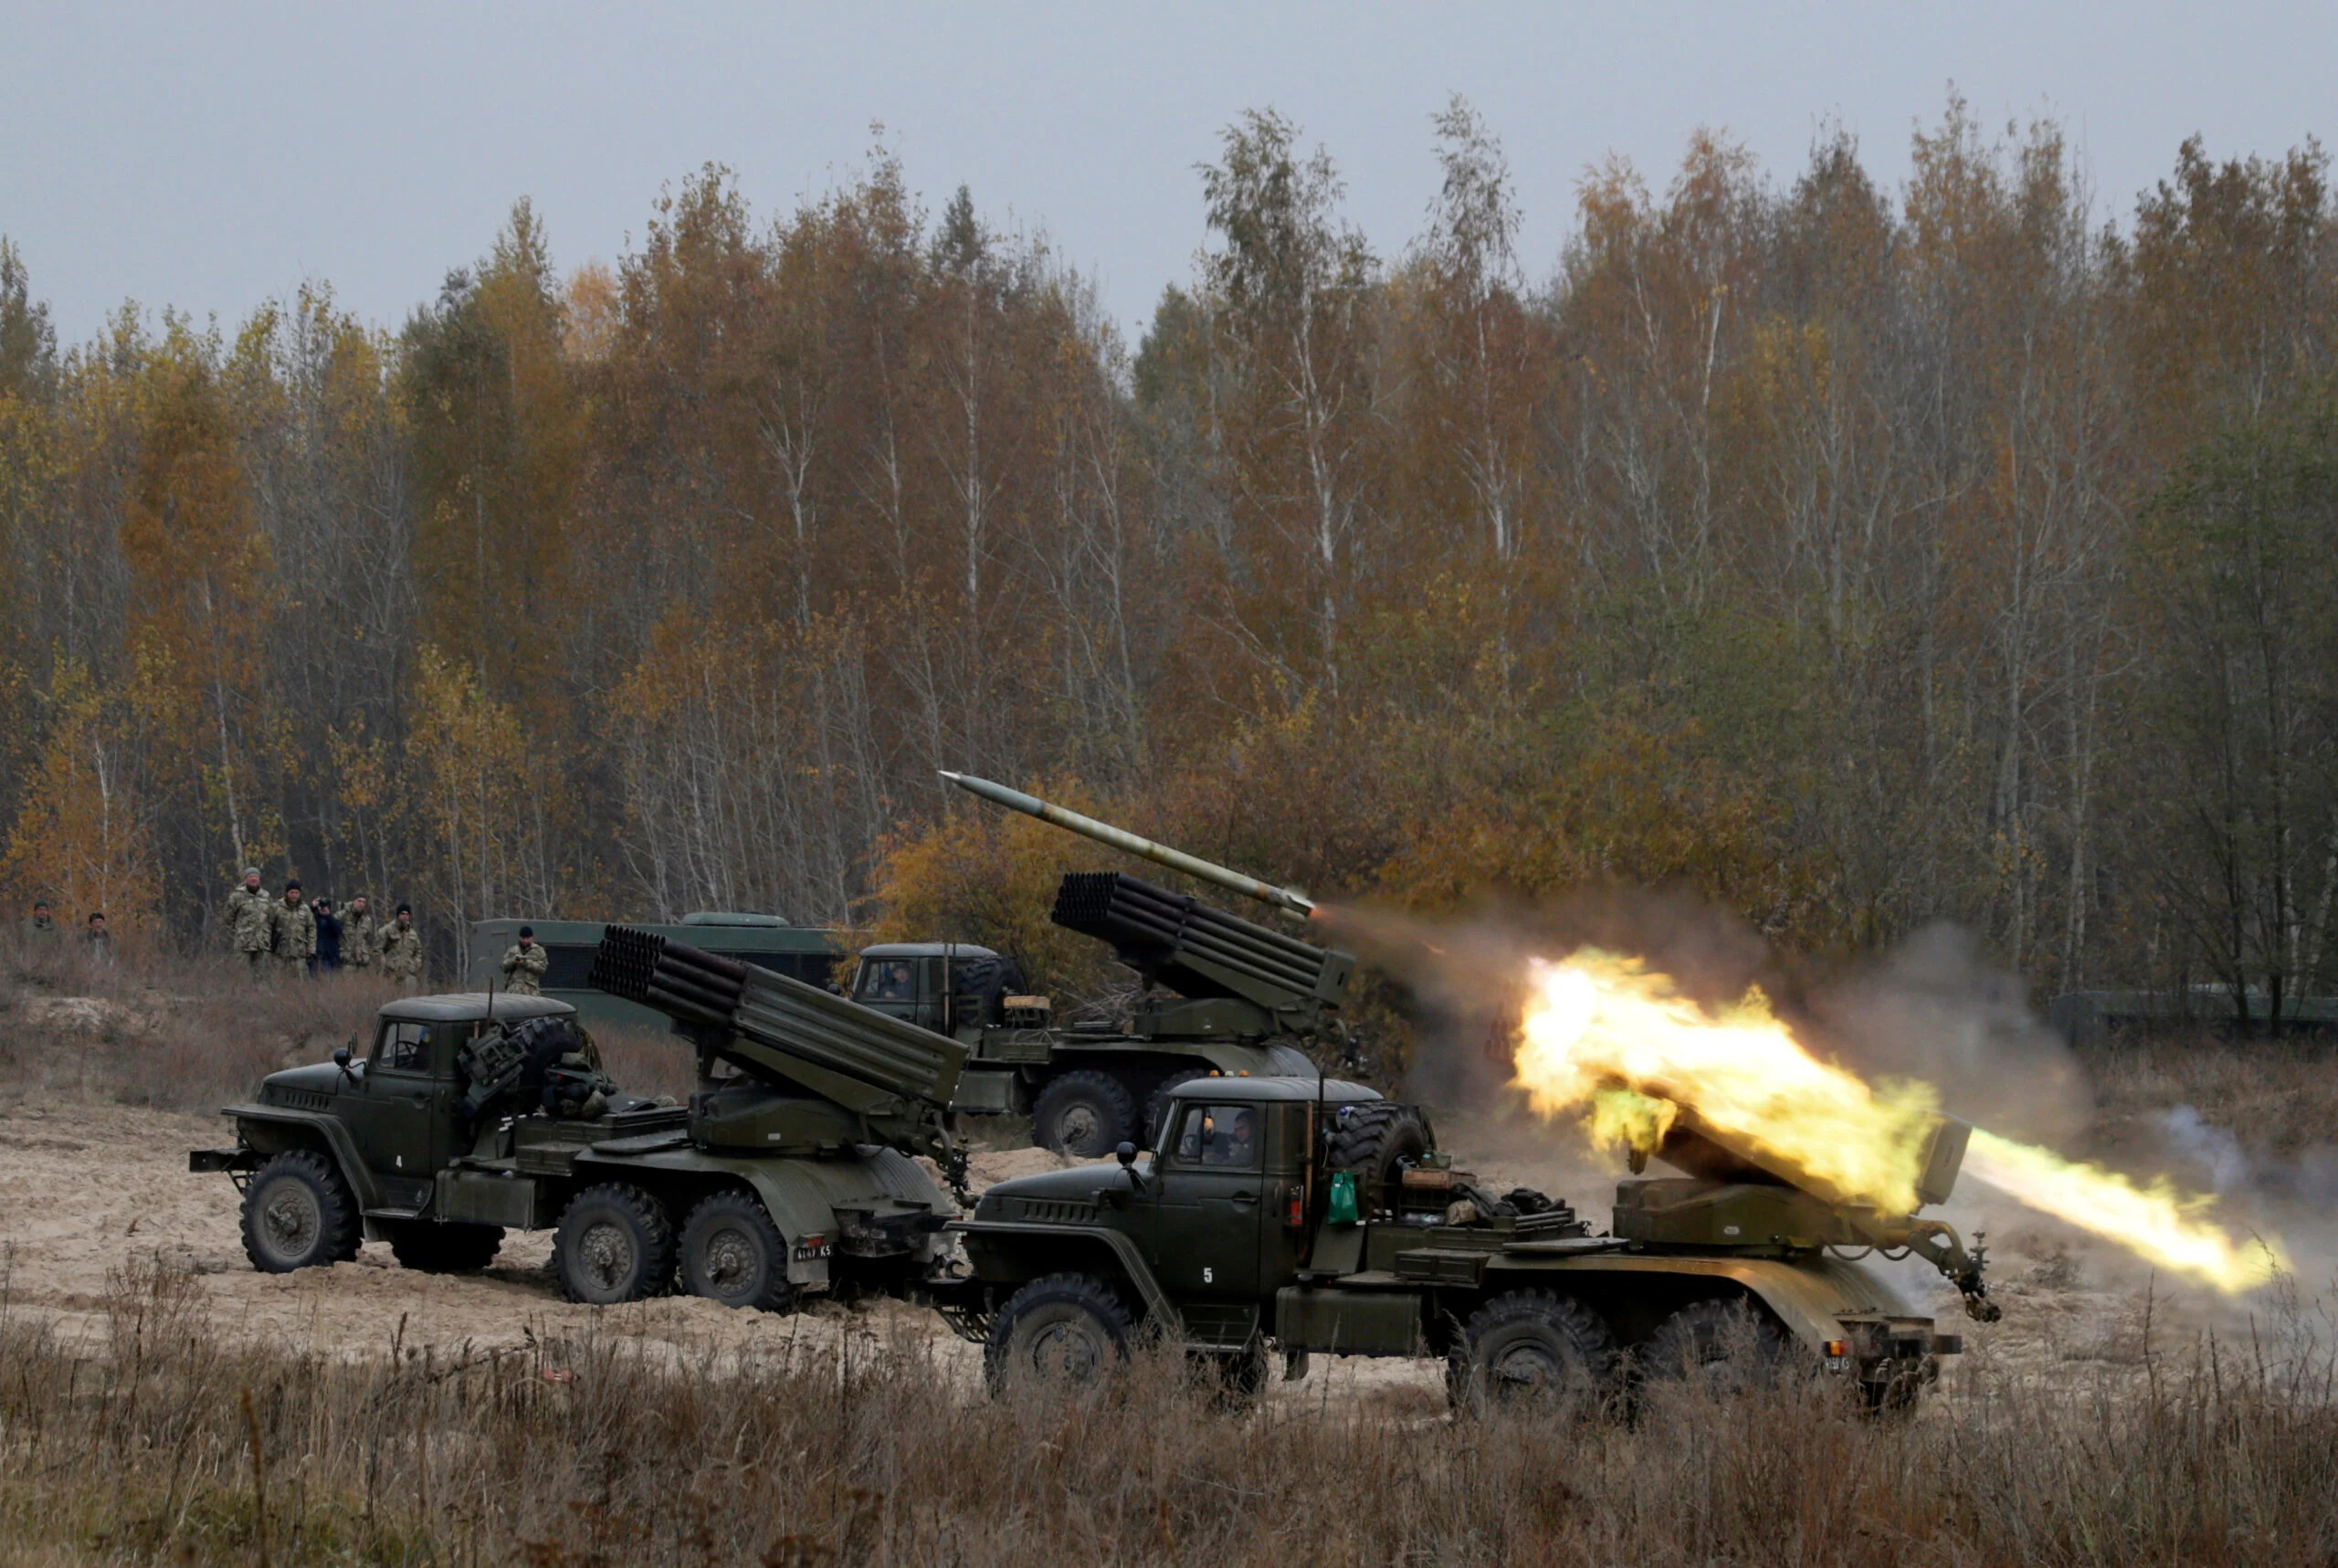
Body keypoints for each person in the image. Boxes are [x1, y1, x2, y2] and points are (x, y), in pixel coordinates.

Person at [226, 868, 271, 975]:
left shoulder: (266, 896)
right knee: (241, 974)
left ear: (259, 879)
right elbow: (228, 917)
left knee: (261, 975)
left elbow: (270, 916)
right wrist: (238, 933)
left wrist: (267, 934)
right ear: (246, 879)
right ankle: (241, 992)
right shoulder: (237, 896)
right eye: (251, 877)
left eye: (256, 877)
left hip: (261, 943)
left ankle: (259, 992)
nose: (254, 879)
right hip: (243, 943)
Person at [269, 881, 316, 979]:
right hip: (280, 953)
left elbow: (311, 928)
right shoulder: (276, 907)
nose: (294, 895)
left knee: (299, 983)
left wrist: (311, 949)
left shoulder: (305, 909)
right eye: (292, 892)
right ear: (287, 893)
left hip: (299, 953)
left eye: (296, 893)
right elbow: (269, 926)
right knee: (277, 981)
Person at [380, 904, 424, 993]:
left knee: (408, 1001)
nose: (405, 916)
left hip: (408, 973)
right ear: (398, 915)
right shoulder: (387, 930)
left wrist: (416, 964)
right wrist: (384, 965)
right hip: (391, 974)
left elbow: (418, 950)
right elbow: (378, 950)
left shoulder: (413, 934)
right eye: (403, 914)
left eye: (407, 914)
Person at [500, 926, 548, 995]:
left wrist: (526, 963)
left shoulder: (538, 951)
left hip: (530, 990)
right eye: (523, 938)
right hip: (514, 990)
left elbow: (542, 968)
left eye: (528, 938)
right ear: (520, 938)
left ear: (532, 938)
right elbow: (503, 967)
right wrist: (513, 961)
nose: (525, 941)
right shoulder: (513, 951)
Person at [341, 895, 377, 973]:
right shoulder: (343, 915)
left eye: (364, 902)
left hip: (362, 961)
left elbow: (368, 940)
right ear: (354, 901)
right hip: (347, 960)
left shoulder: (367, 920)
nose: (361, 904)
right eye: (359, 901)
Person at [311, 898, 342, 974]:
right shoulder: (314, 918)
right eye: (322, 906)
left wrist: (328, 916)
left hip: (330, 956)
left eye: (325, 906)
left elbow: (338, 931)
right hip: (316, 955)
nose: (323, 908)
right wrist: (313, 908)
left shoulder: (334, 919)